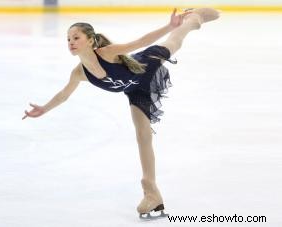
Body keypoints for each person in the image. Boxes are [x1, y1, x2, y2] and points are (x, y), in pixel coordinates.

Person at [22, 8, 220, 219]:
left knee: (174, 42)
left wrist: (170, 26)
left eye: (76, 37)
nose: (70, 41)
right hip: (136, 90)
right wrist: (44, 108)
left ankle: (193, 20)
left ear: (90, 41)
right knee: (143, 135)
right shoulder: (80, 73)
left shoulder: (106, 53)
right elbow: (64, 94)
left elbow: (140, 42)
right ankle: (151, 192)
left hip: (145, 65)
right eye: (68, 39)